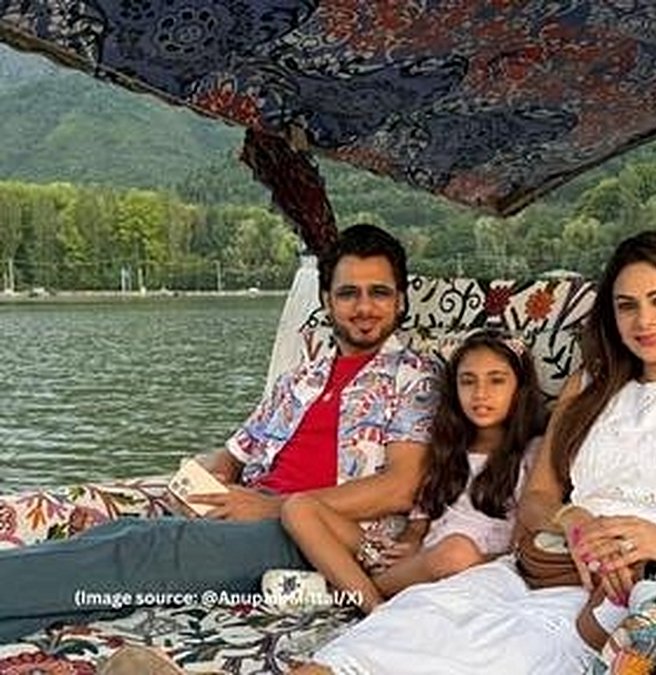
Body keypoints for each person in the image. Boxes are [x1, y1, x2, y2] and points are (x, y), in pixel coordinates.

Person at [296, 230, 656, 675]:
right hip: (528, 567)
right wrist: (571, 517)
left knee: (500, 658)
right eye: (627, 306)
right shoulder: (589, 386)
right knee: (373, 644)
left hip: (616, 590)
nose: (644, 322)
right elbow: (537, 499)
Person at [0, 223, 440, 643]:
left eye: (379, 292)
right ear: (327, 301)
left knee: (141, 545)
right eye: (348, 293)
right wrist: (203, 481)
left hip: (317, 538)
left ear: (400, 300)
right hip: (249, 518)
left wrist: (267, 507)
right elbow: (233, 453)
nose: (364, 308)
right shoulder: (300, 378)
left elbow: (401, 486)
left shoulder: (414, 377)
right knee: (114, 537)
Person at [280, 329, 545, 612]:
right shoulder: (446, 447)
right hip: (420, 561)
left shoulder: (534, 451)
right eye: (468, 381)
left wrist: (453, 558)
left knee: (456, 551)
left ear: (520, 388)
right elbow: (419, 524)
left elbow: (520, 550)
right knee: (298, 507)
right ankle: (371, 596)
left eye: (497, 380)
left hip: (476, 566)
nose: (481, 394)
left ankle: (353, 593)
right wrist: (406, 547)